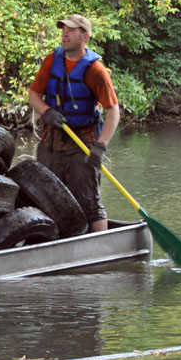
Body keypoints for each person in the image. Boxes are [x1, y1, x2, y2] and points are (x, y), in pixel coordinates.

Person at [28, 13, 119, 232]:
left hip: (82, 145)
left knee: (88, 202)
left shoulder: (95, 71)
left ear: (84, 36)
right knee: (44, 198)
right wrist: (46, 111)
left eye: (71, 30)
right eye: (63, 29)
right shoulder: (53, 60)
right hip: (51, 141)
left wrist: (101, 146)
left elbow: (113, 111)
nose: (65, 34)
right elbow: (33, 94)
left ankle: (102, 248)